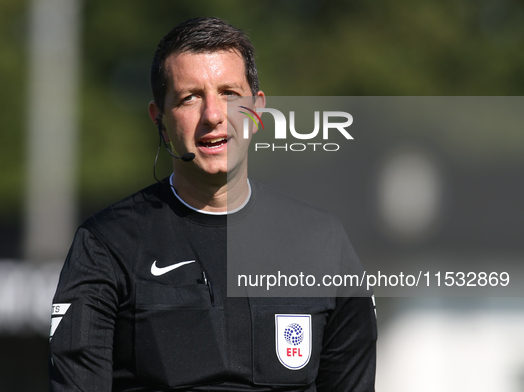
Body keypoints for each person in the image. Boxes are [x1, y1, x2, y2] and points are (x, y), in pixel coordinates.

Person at [49, 17, 376, 391]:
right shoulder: (107, 244)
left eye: (230, 94)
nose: (214, 115)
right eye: (190, 97)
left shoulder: (323, 241)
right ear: (160, 119)